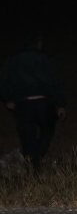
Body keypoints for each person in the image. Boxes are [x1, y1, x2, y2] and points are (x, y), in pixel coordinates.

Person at [0, 34, 67, 171]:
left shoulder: (12, 61)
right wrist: (60, 104)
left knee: (27, 136)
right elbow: (57, 82)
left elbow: (4, 81)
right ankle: (37, 159)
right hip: (44, 104)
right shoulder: (46, 60)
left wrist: (8, 99)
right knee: (47, 131)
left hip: (23, 105)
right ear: (39, 44)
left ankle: (32, 164)